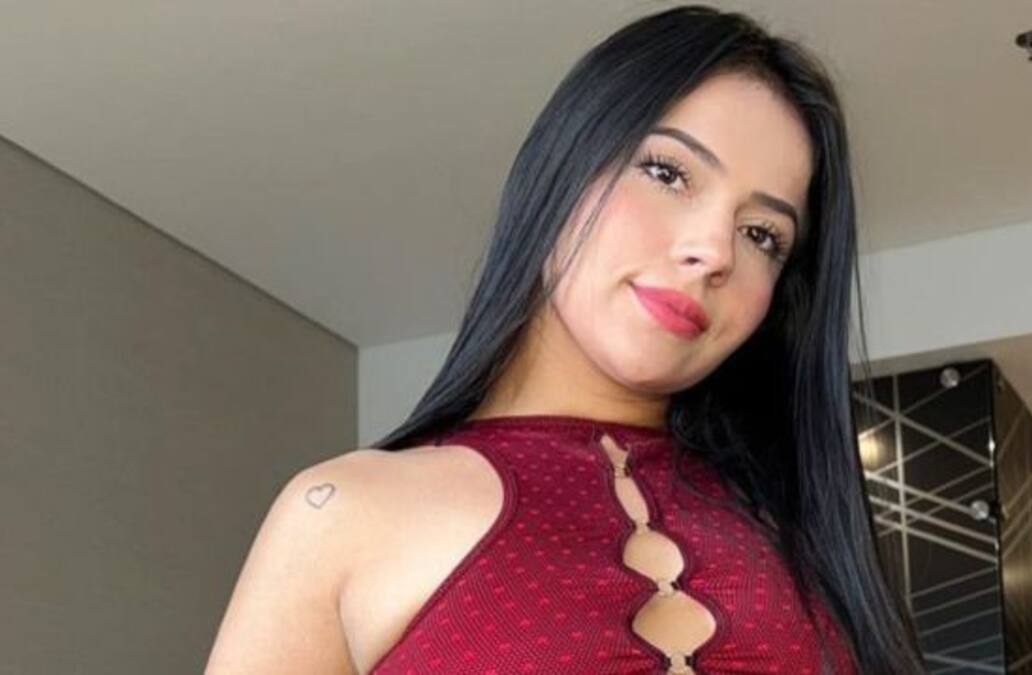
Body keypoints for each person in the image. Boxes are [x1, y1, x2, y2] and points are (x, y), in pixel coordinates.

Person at [205, 4, 923, 674]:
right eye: (668, 172)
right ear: (564, 165)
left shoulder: (811, 548)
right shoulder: (339, 514)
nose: (713, 251)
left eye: (762, 234)